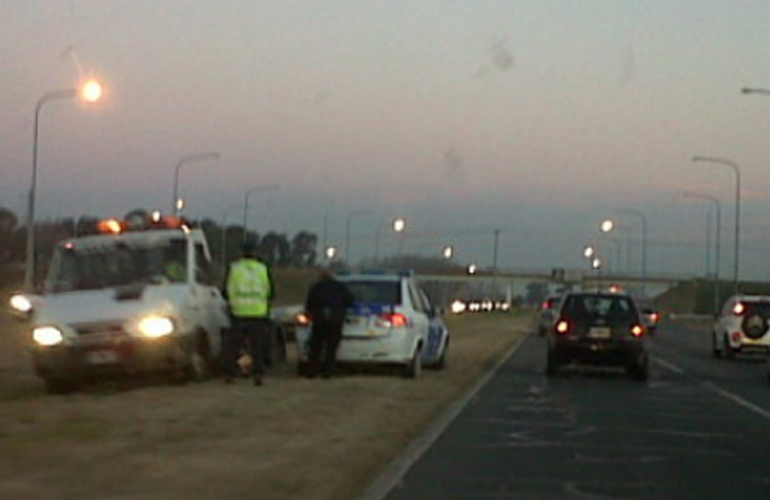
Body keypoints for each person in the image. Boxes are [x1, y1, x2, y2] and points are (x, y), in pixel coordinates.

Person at [222, 240, 274, 386]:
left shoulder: (234, 268)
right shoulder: (262, 269)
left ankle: (230, 374)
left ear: (241, 252)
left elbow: (226, 291)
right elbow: (269, 291)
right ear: (255, 252)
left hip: (238, 313)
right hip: (258, 313)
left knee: (233, 346)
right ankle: (258, 375)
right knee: (258, 347)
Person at [303, 269, 354, 379]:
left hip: (319, 320)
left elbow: (309, 304)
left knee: (316, 347)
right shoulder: (340, 287)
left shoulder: (316, 287)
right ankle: (328, 372)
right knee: (331, 347)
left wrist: (311, 314)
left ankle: (312, 371)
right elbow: (350, 301)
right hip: (335, 319)